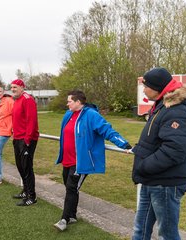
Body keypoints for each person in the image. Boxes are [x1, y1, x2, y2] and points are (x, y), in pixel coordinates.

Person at [131, 67, 186, 240]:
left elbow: (175, 150)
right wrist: (140, 152)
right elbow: (155, 141)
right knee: (140, 229)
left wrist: (144, 166)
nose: (144, 89)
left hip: (166, 183)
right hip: (151, 180)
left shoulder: (176, 110)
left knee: (167, 234)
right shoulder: (161, 106)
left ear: (157, 87)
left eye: (146, 86)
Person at [53, 90, 132, 231]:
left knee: (71, 188)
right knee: (70, 187)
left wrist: (124, 144)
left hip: (81, 161)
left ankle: (64, 219)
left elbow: (107, 130)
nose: (67, 103)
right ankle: (72, 216)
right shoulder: (68, 114)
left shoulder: (91, 115)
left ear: (78, 102)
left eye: (69, 101)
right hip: (67, 159)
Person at [10, 79, 39, 206]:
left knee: (27, 167)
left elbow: (31, 121)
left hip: (27, 139)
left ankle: (31, 196)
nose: (12, 89)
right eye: (11, 87)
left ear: (22, 87)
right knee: (20, 165)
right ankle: (25, 191)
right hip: (18, 138)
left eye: (15, 87)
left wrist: (27, 140)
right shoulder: (17, 100)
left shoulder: (27, 99)